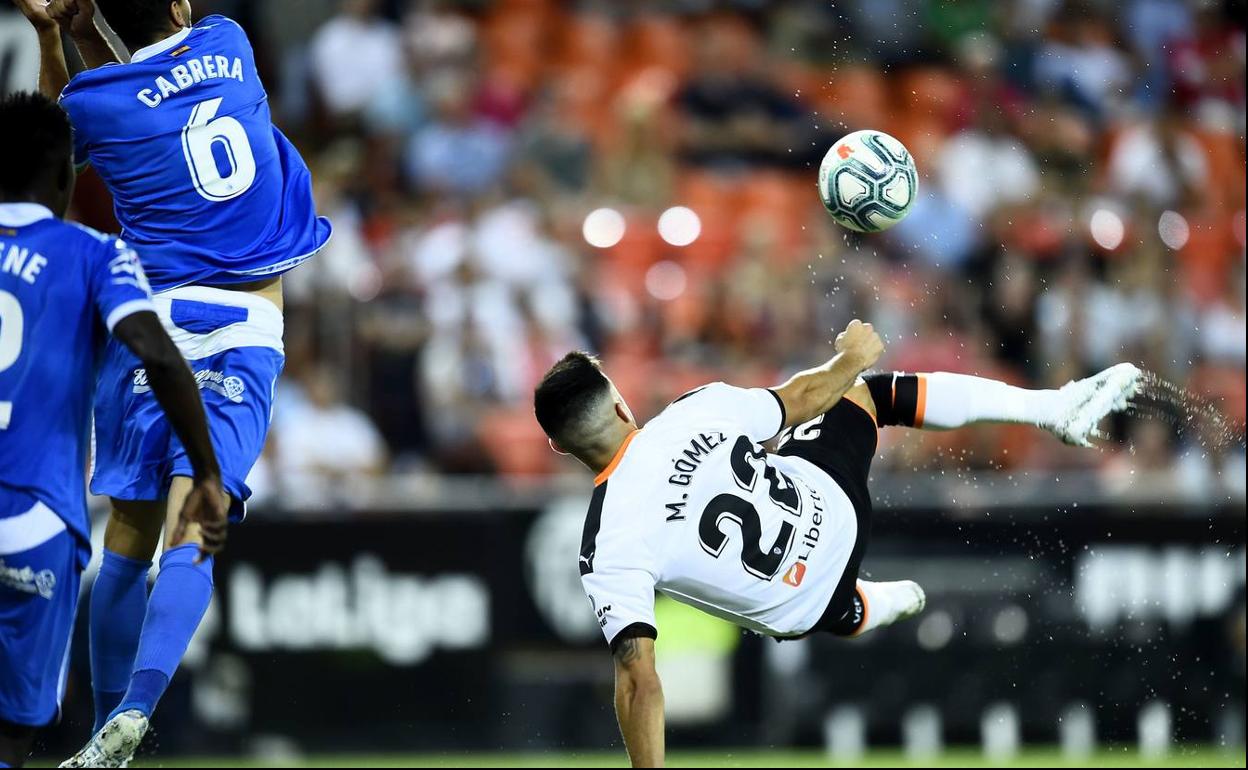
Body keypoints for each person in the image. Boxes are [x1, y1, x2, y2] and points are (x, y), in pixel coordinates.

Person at [533, 320, 1141, 768]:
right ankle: (1054, 408)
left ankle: (861, 606)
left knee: (813, 604)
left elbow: (638, 678)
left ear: (560, 447)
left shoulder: (605, 544)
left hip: (797, 608)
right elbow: (803, 400)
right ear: (619, 401)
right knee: (868, 395)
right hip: (834, 513)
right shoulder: (694, 411)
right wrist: (849, 358)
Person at [11, 0, 331, 765]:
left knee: (128, 528)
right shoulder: (231, 41)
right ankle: (138, 706)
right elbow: (148, 67)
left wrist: (58, 33)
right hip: (243, 326)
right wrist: (92, 26)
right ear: (182, 6)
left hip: (150, 319)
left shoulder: (99, 103)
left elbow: (64, 137)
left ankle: (100, 739)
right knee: (199, 521)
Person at [0, 92, 225, 769]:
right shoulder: (96, 254)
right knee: (12, 734)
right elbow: (157, 353)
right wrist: (207, 473)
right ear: (69, 176)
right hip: (32, 524)